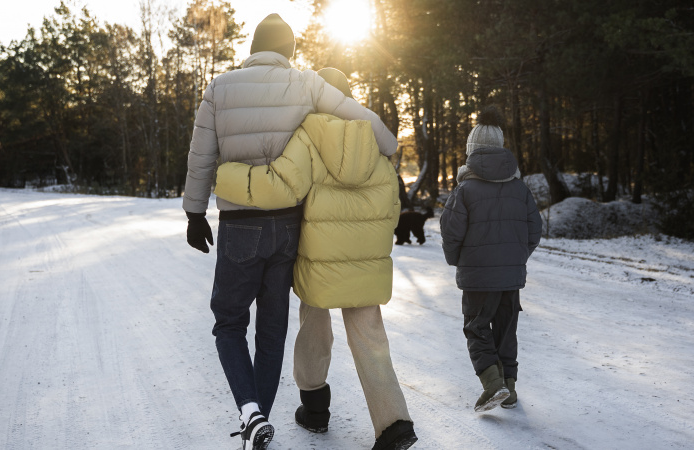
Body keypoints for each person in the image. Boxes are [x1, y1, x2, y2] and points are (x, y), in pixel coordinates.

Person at [182, 14, 398, 450]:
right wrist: (388, 144)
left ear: (253, 48)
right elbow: (355, 116)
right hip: (287, 226)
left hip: (240, 224)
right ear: (290, 52)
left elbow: (201, 153)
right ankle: (256, 423)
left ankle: (251, 414)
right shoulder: (304, 84)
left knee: (229, 322)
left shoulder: (220, 87)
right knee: (273, 330)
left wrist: (194, 211)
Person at [214, 68, 417, 450]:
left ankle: (315, 408)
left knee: (313, 326)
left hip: (317, 256)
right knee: (371, 337)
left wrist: (225, 177)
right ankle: (394, 424)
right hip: (365, 259)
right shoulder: (374, 137)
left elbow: (282, 185)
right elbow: (392, 205)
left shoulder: (308, 134)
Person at [439, 106, 542, 412]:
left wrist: (459, 260)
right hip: (511, 278)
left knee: (477, 327)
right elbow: (534, 230)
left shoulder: (465, 189)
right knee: (506, 330)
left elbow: (451, 232)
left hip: (478, 278)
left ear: (471, 151)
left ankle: (492, 384)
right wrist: (515, 258)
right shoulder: (520, 188)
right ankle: (509, 388)